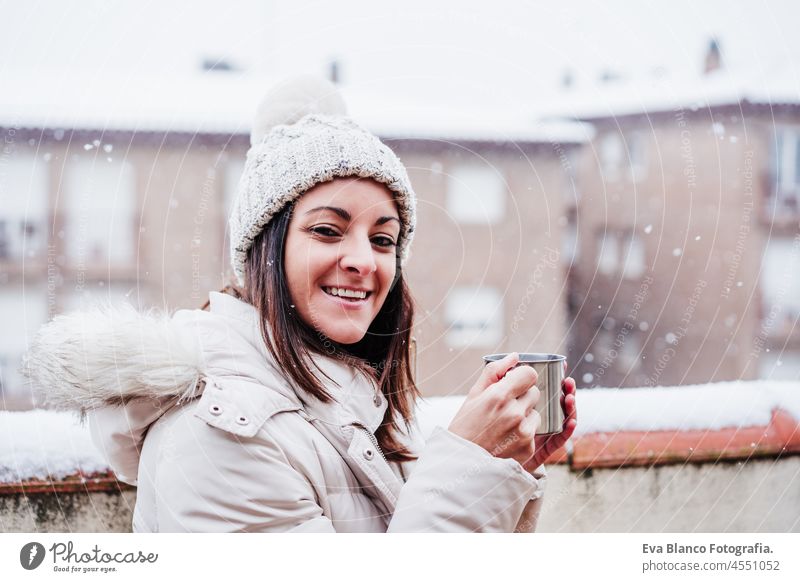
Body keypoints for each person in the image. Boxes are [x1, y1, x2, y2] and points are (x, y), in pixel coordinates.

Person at [25, 77, 577, 533]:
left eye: (383, 239)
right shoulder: (217, 436)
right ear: (266, 249)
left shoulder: (355, 406)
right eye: (327, 230)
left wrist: (500, 467)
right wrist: (465, 468)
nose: (363, 260)